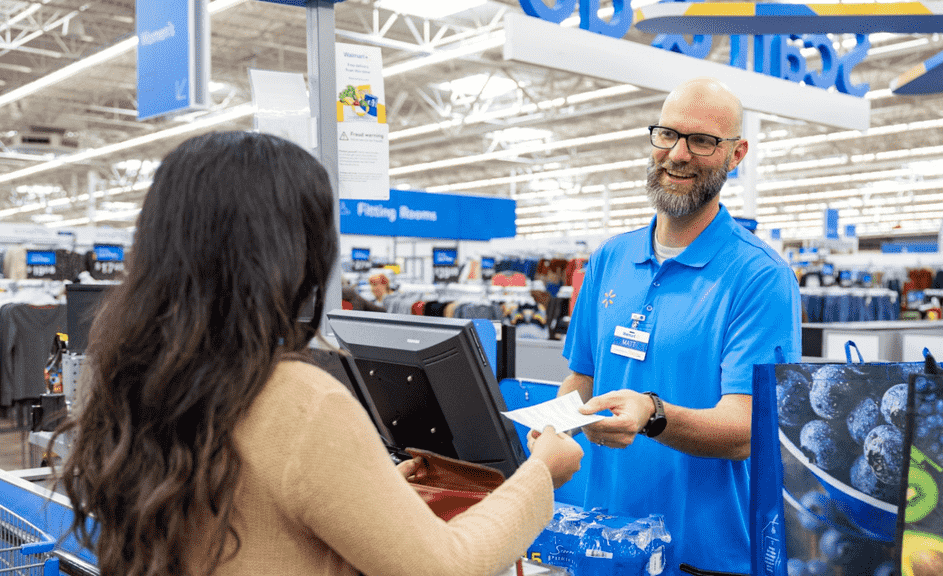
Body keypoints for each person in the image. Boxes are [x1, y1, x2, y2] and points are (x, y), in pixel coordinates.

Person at [52, 131, 583, 576]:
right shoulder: (301, 401)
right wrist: (539, 475)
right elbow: (445, 567)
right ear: (295, 251)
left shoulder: (138, 378)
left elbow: (254, 517)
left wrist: (370, 492)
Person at [559, 77, 801, 575]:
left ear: (737, 155)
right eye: (667, 135)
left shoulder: (760, 277)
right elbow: (582, 378)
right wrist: (552, 427)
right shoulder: (610, 258)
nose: (679, 154)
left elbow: (746, 430)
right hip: (602, 541)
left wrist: (652, 413)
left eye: (703, 141)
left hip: (701, 557)